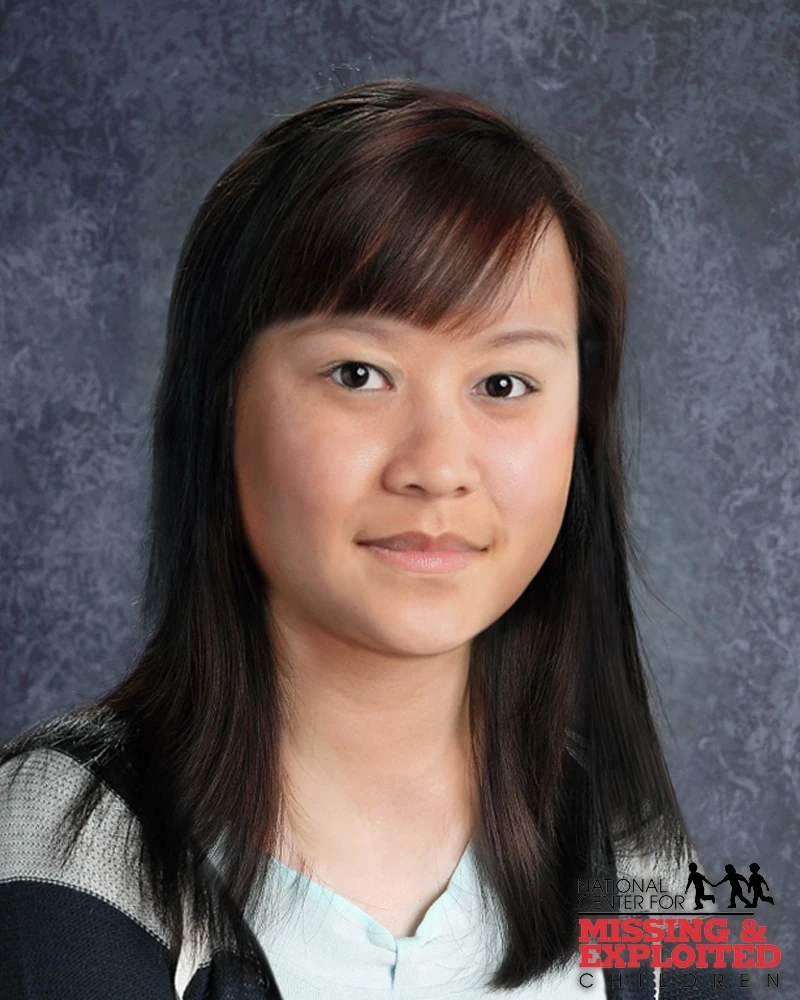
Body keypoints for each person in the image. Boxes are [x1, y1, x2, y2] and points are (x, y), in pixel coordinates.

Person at [0, 79, 747, 999]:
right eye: (358, 373)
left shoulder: (640, 855)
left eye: (505, 385)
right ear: (220, 405)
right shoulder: (62, 844)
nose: (438, 467)